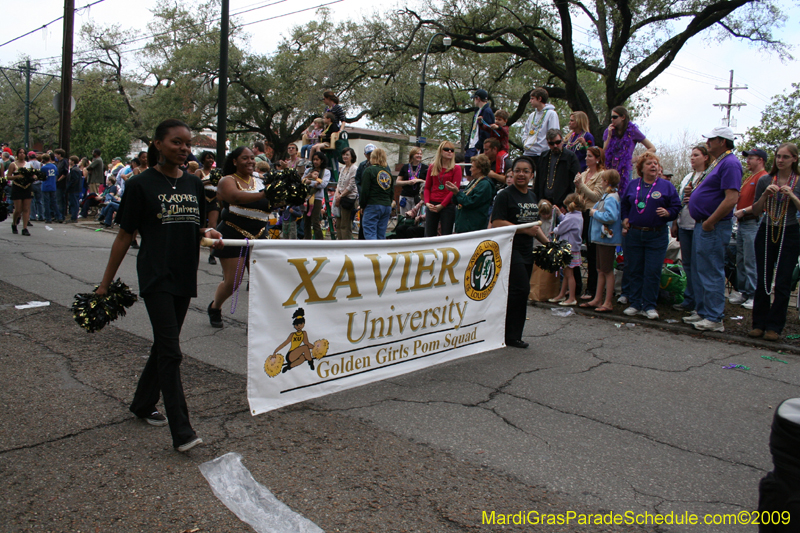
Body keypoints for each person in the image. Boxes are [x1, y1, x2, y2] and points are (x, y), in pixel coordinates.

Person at [95, 118, 223, 453]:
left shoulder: (194, 185)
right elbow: (125, 235)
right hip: (155, 275)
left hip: (184, 274)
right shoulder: (141, 185)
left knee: (165, 346)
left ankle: (142, 403)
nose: (183, 149)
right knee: (171, 351)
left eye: (187, 143)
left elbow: (193, 227)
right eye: (176, 142)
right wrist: (104, 284)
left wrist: (207, 233)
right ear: (158, 144)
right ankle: (182, 431)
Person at [208, 146, 275, 328]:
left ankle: (256, 323)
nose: (250, 161)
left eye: (252, 158)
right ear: (235, 161)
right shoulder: (226, 180)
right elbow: (235, 198)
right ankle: (215, 307)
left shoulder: (261, 181)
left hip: (260, 235)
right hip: (233, 233)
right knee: (233, 282)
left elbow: (272, 204)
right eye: (245, 158)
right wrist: (267, 193)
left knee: (261, 282)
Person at [683, 126, 741, 332]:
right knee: (701, 269)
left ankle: (715, 317)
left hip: (713, 225)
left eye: (711, 139)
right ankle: (703, 311)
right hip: (702, 224)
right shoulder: (719, 162)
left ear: (722, 141)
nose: (708, 143)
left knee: (712, 270)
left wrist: (711, 221)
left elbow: (731, 198)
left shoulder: (731, 163)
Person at [491, 157, 548, 348]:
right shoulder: (504, 195)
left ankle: (514, 334)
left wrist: (549, 244)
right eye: (517, 170)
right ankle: (508, 335)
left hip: (527, 251)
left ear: (532, 175)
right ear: (512, 173)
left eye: (525, 171)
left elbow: (536, 226)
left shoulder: (532, 197)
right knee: (520, 289)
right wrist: (523, 229)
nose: (521, 174)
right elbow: (497, 222)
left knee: (520, 293)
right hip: (509, 249)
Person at [748, 143, 800, 342]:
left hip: (790, 231)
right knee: (763, 277)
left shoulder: (798, 181)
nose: (780, 160)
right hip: (767, 228)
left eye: (785, 157)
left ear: (794, 159)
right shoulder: (766, 180)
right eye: (778, 156)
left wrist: (792, 195)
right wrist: (765, 195)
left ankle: (774, 326)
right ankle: (758, 324)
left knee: (783, 280)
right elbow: (755, 210)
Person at [620, 152, 681, 319]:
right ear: (641, 168)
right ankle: (635, 303)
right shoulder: (633, 185)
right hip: (635, 234)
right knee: (635, 269)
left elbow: (676, 206)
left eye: (655, 163)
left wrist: (669, 212)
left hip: (657, 235)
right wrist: (625, 218)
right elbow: (624, 205)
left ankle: (649, 306)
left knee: (652, 271)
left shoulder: (666, 186)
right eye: (649, 163)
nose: (653, 166)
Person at [671, 145, 710, 313]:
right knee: (686, 263)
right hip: (684, 223)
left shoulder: (708, 176)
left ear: (706, 157)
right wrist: (675, 223)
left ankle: (700, 302)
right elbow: (679, 202)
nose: (692, 158)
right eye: (691, 155)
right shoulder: (688, 177)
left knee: (698, 264)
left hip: (699, 225)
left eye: (696, 155)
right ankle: (689, 298)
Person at [730, 148, 769, 310]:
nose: (747, 161)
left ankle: (754, 294)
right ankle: (745, 291)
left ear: (760, 160)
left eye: (751, 158)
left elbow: (763, 203)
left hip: (753, 222)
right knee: (741, 259)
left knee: (751, 259)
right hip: (742, 223)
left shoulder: (764, 177)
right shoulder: (749, 178)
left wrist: (745, 210)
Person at [582, 170, 622, 312]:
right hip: (600, 238)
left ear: (606, 182)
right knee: (600, 269)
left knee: (607, 270)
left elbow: (611, 217)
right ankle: (598, 299)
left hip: (607, 239)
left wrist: (594, 213)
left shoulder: (611, 197)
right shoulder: (606, 196)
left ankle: (608, 302)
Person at [573, 146, 605, 298]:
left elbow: (596, 196)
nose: (586, 158)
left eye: (590, 156)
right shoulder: (584, 173)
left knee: (592, 253)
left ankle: (592, 288)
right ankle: (575, 287)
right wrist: (577, 189)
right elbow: (578, 195)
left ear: (597, 159)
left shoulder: (601, 175)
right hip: (580, 213)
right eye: (586, 156)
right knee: (576, 248)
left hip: (592, 214)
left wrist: (581, 185)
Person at [603, 106, 655, 195]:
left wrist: (637, 158)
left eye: (615, 117)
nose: (612, 119)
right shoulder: (609, 131)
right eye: (611, 117)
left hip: (625, 169)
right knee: (609, 195)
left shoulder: (633, 131)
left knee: (624, 194)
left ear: (623, 117)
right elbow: (604, 151)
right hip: (610, 168)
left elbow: (652, 148)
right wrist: (609, 136)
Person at [549, 193, 584, 306]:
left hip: (569, 248)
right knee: (566, 272)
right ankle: (562, 294)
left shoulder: (572, 217)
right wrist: (560, 214)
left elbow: (561, 228)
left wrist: (554, 230)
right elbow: (566, 221)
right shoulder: (577, 216)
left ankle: (572, 297)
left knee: (569, 274)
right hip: (571, 248)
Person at [446, 153, 494, 233]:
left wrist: (457, 193)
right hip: (464, 226)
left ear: (479, 169)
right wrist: (454, 193)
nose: (470, 169)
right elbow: (459, 201)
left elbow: (471, 202)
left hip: (473, 227)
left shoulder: (485, 185)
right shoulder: (474, 181)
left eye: (472, 167)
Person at [424, 141, 463, 237]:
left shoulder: (456, 168)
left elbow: (454, 189)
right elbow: (427, 187)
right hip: (432, 203)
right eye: (446, 149)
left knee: (446, 234)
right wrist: (427, 203)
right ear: (440, 151)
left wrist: (442, 205)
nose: (449, 152)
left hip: (448, 205)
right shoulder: (432, 167)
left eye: (452, 150)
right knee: (429, 233)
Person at [534, 129, 580, 209]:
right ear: (547, 143)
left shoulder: (570, 157)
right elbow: (538, 180)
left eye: (557, 142)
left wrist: (567, 204)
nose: (555, 145)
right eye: (551, 143)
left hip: (563, 203)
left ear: (562, 141)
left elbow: (574, 183)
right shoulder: (544, 156)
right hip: (544, 202)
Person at [359, 147, 393, 240]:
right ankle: (382, 253)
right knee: (381, 235)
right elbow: (391, 192)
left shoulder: (369, 171)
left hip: (373, 204)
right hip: (386, 205)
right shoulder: (388, 173)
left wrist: (362, 205)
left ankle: (373, 253)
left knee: (370, 233)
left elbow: (364, 191)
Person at [522, 88, 559, 166]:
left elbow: (553, 133)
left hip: (542, 154)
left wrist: (548, 150)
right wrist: (525, 142)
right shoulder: (532, 115)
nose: (530, 101)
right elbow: (525, 132)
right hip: (528, 152)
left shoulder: (551, 114)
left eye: (532, 98)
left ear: (539, 98)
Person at [195, 151, 220, 264]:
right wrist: (209, 181)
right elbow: (196, 183)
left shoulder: (216, 172)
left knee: (212, 226)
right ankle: (195, 251)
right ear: (203, 160)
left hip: (213, 199)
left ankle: (212, 254)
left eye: (212, 158)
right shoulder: (199, 172)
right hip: (202, 199)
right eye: (208, 158)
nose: (210, 160)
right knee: (201, 226)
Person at [302, 152, 331, 240]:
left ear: (321, 161)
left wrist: (310, 182)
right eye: (314, 159)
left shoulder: (326, 172)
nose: (315, 162)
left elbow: (323, 184)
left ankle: (320, 241)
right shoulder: (308, 170)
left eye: (317, 160)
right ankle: (307, 240)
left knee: (315, 221)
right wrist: (310, 179)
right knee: (306, 221)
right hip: (307, 197)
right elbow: (302, 180)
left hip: (317, 198)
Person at [333, 147, 358, 240]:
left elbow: (351, 186)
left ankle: (346, 245)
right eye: (344, 154)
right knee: (338, 224)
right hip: (339, 198)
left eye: (347, 155)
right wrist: (337, 194)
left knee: (345, 225)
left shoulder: (354, 168)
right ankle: (339, 242)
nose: (345, 156)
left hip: (348, 199)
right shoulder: (343, 168)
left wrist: (341, 195)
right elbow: (339, 183)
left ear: (352, 156)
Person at [465, 89, 495, 162]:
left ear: (478, 98)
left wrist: (479, 145)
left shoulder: (487, 111)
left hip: (477, 147)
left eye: (474, 98)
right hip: (472, 145)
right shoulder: (478, 111)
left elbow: (486, 131)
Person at [8, 148, 32, 235]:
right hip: (17, 187)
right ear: (17, 154)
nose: (22, 154)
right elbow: (8, 176)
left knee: (26, 208)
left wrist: (34, 177)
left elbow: (33, 174)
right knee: (18, 209)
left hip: (27, 187)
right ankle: (14, 223)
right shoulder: (13, 164)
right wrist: (17, 176)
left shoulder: (29, 164)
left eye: (23, 153)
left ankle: (25, 228)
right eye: (20, 153)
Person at [40, 154, 62, 223]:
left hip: (46, 186)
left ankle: (48, 218)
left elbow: (41, 176)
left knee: (46, 203)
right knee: (54, 202)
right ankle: (59, 216)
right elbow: (56, 174)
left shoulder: (43, 168)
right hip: (53, 185)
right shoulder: (54, 166)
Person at [65, 155, 82, 223]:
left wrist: (69, 186)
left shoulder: (74, 170)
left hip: (74, 189)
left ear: (72, 161)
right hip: (76, 189)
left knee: (74, 203)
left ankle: (74, 217)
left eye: (69, 160)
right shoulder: (77, 169)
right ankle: (73, 216)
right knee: (75, 203)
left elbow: (74, 180)